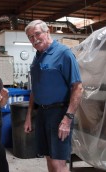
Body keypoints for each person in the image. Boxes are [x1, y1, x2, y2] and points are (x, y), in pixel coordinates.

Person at [23, 20, 83, 172]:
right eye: (30, 37)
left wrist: (67, 119)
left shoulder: (64, 53)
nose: (34, 39)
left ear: (47, 31)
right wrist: (29, 116)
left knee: (58, 163)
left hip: (59, 113)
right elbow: (35, 89)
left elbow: (78, 88)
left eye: (37, 34)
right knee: (49, 157)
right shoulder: (37, 57)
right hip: (42, 113)